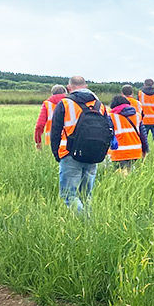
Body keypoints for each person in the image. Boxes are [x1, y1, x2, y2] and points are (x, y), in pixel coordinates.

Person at [50, 77, 113, 213]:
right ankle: (89, 224)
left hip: (70, 154)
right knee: (86, 196)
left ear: (69, 87)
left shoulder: (65, 104)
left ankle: (85, 223)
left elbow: (55, 131)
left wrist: (57, 154)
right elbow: (108, 129)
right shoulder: (99, 105)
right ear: (86, 86)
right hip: (94, 154)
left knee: (69, 195)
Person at [108, 95, 149, 171]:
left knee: (119, 174)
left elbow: (108, 135)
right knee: (129, 171)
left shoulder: (111, 116)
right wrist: (145, 149)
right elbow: (143, 135)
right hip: (135, 151)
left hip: (118, 152)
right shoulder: (137, 116)